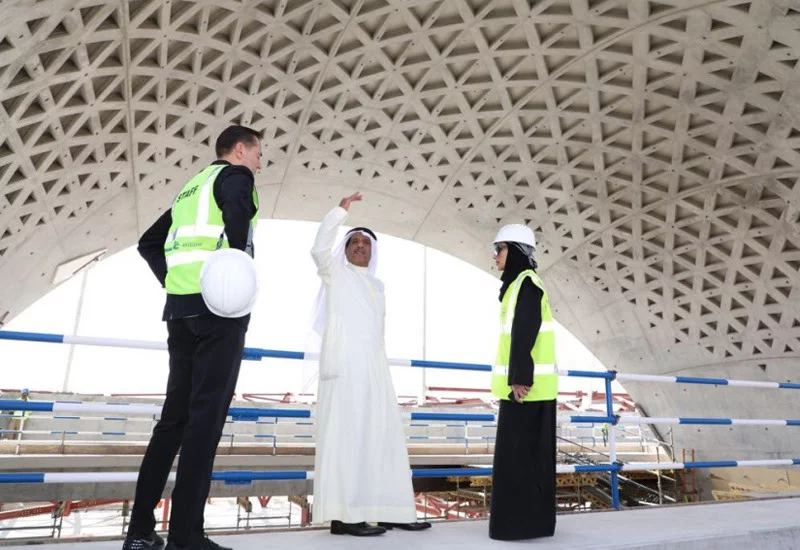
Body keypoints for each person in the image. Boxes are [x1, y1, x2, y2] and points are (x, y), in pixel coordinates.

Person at [123, 125, 262, 550]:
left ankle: (140, 532)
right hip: (218, 313)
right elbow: (238, 233)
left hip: (180, 312)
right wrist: (231, 284)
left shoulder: (191, 189)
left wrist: (176, 285)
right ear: (240, 150)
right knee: (204, 424)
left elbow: (149, 243)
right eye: (259, 154)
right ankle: (186, 536)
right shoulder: (237, 178)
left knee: (173, 423)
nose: (260, 163)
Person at [309, 192, 431, 537]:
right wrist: (339, 213)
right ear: (345, 248)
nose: (360, 246)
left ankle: (390, 510)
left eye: (366, 242)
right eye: (354, 241)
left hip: (375, 373)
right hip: (344, 372)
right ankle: (345, 518)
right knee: (348, 442)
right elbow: (319, 249)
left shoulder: (378, 285)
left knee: (383, 440)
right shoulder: (335, 272)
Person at [488, 224, 558, 541]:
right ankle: (528, 524)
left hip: (526, 391)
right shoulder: (520, 284)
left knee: (518, 463)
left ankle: (518, 526)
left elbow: (525, 331)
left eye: (499, 249)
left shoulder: (527, 284)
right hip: (527, 390)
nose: (495, 256)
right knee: (527, 462)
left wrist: (519, 378)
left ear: (514, 251)